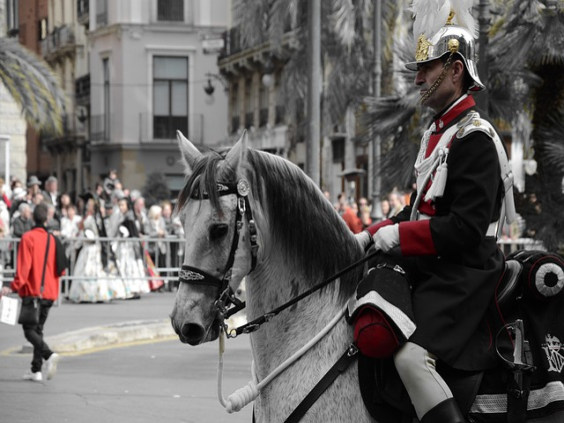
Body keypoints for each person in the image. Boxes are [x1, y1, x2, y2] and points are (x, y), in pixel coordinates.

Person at [354, 8, 516, 423]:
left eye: (426, 68)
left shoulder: (474, 138)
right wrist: (372, 233)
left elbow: (466, 229)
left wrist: (402, 238)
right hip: (431, 266)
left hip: (463, 274)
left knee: (411, 357)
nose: (418, 79)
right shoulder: (438, 132)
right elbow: (418, 209)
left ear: (455, 69)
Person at [0, 203, 61, 382]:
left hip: (33, 292)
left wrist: (12, 286)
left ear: (33, 218)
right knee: (38, 330)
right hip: (49, 292)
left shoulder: (28, 237)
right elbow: (62, 268)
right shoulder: (53, 239)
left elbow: (24, 268)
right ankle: (36, 370)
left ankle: (48, 354)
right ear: (47, 219)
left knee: (29, 331)